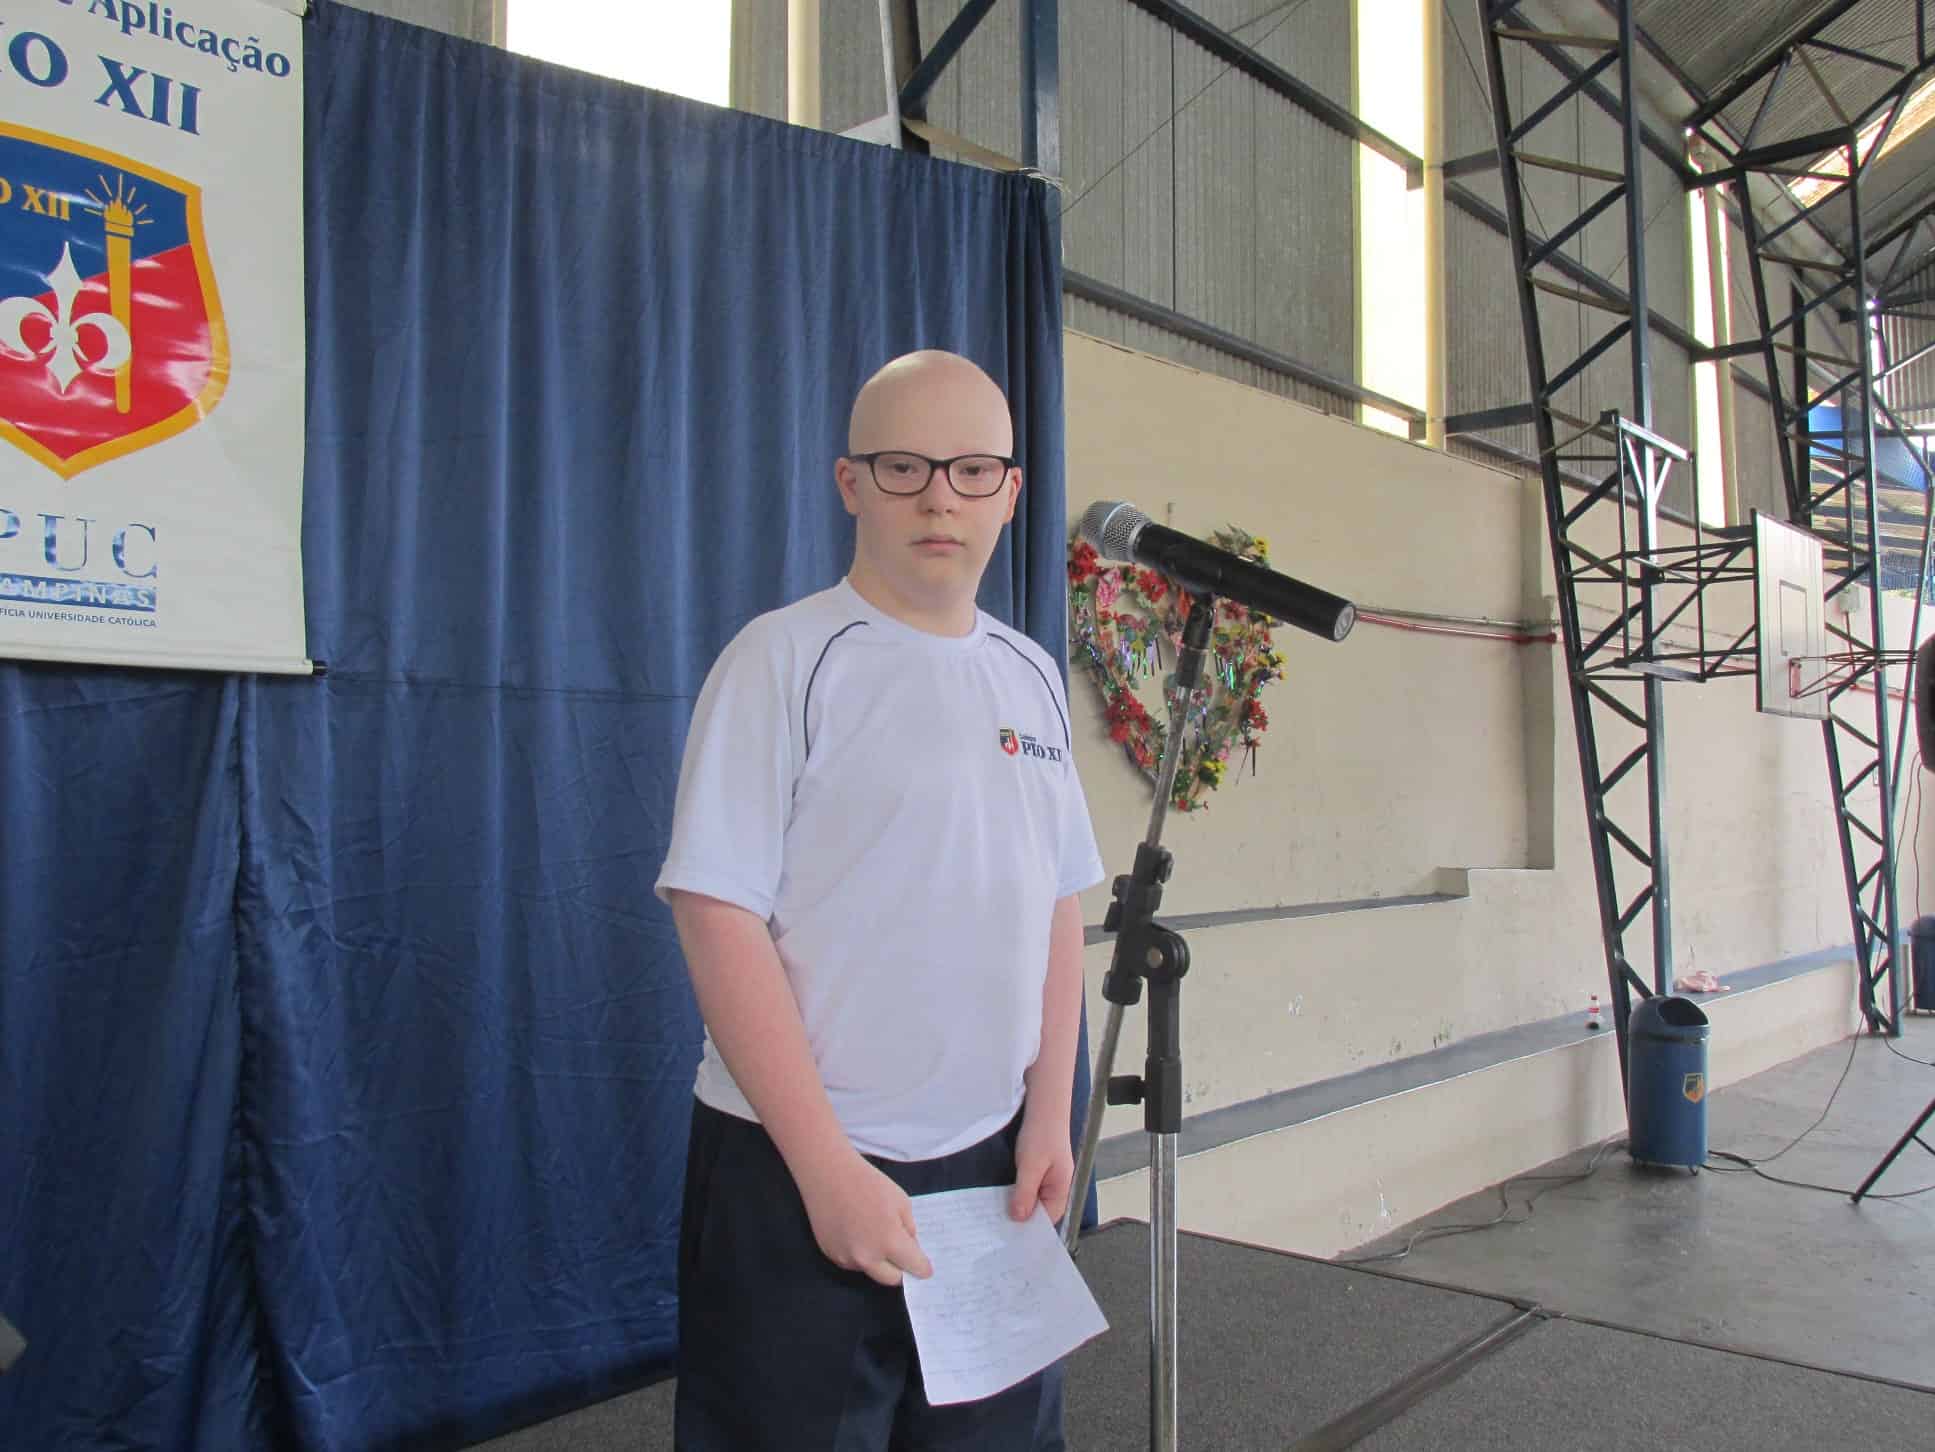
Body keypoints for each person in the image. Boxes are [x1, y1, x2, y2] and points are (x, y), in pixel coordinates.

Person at [655, 348, 1106, 1450]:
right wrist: (827, 1171)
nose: (939, 498)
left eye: (971, 470)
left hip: (992, 1170)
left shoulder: (1030, 674)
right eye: (904, 467)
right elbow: (715, 913)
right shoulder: (783, 659)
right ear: (851, 483)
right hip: (796, 1163)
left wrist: (1048, 1115)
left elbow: (1055, 902)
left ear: (1011, 490)